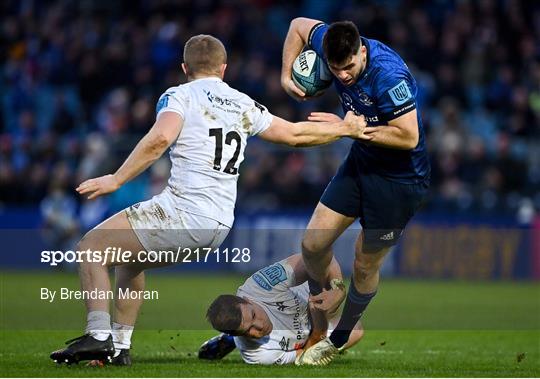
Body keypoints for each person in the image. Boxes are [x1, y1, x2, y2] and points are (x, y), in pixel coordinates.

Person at [49, 34, 368, 366]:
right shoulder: (242, 102)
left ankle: (98, 336)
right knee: (131, 261)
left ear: (185, 67)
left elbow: (160, 137)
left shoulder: (180, 95)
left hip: (182, 212)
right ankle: (120, 346)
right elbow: (294, 134)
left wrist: (115, 179)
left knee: (91, 248)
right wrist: (345, 129)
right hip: (217, 226)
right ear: (224, 68)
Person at [280, 18, 430, 365]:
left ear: (362, 52)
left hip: (399, 180)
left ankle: (340, 336)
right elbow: (298, 26)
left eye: (349, 67)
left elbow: (409, 137)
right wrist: (286, 75)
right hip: (361, 163)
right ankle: (321, 320)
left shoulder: (388, 76)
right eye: (336, 68)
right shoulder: (330, 41)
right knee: (313, 244)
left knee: (364, 264)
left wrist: (350, 130)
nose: (343, 75)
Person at [200, 254, 364, 365]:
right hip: (307, 335)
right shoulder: (257, 354)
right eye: (248, 331)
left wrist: (338, 289)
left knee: (322, 274)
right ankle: (233, 340)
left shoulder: (261, 286)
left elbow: (320, 256)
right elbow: (307, 357)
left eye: (254, 315)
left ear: (248, 300)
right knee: (356, 331)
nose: (259, 327)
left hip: (314, 294)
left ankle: (230, 339)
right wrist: (318, 328)